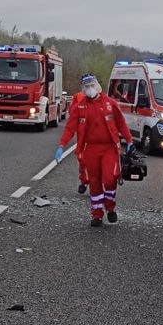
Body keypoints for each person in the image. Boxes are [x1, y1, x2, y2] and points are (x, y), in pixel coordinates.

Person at [55, 74, 134, 227]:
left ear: (97, 86)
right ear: (83, 89)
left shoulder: (110, 103)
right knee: (94, 182)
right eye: (86, 87)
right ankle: (97, 214)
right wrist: (61, 145)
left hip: (109, 147)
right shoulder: (80, 107)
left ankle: (110, 207)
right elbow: (70, 128)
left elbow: (121, 123)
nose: (90, 89)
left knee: (110, 178)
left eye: (92, 86)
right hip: (90, 148)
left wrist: (129, 140)